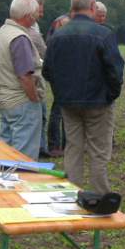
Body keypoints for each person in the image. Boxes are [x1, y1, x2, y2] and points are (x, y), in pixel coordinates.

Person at [42, 0, 124, 193]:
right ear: (93, 7)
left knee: (73, 150)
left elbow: (47, 70)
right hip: (99, 103)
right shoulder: (104, 34)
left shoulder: (57, 36)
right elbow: (115, 71)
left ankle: (71, 197)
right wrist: (110, 95)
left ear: (72, 8)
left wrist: (62, 93)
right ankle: (99, 198)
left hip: (68, 104)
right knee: (99, 153)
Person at [0, 0, 44, 159]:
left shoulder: (1, 32)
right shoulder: (19, 38)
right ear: (27, 16)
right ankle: (21, 183)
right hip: (21, 102)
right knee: (23, 157)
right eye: (35, 14)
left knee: (6, 152)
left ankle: (2, 183)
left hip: (4, 99)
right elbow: (25, 76)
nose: (36, 18)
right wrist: (34, 99)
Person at [46, 14, 70, 157]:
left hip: (64, 79)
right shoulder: (54, 41)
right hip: (59, 79)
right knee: (58, 112)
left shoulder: (55, 39)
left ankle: (66, 145)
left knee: (64, 112)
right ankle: (55, 145)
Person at [30, 0, 50, 158]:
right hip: (33, 78)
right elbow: (44, 52)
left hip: (38, 75)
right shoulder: (31, 30)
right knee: (38, 113)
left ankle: (41, 147)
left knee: (42, 114)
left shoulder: (35, 26)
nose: (42, 14)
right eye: (40, 11)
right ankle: (36, 149)